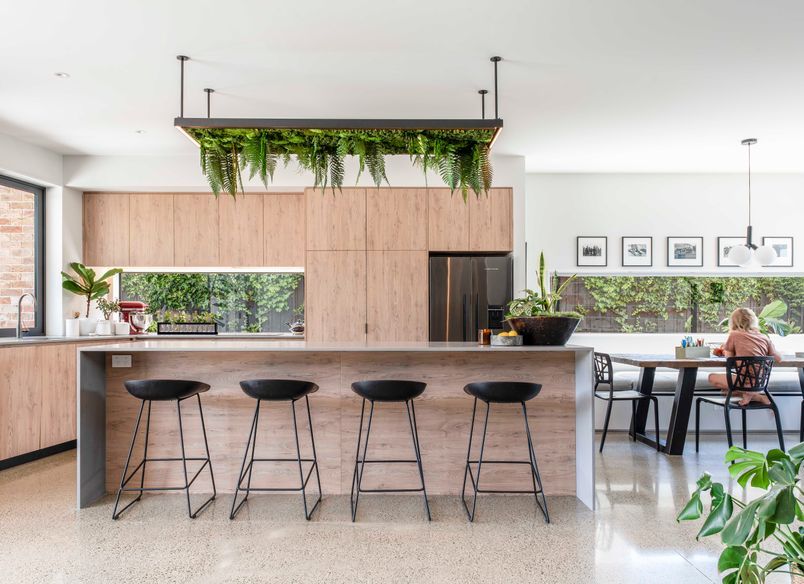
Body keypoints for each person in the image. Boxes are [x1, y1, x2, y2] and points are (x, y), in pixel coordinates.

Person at [709, 307, 782, 405]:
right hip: (760, 382)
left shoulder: (734, 335)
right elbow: (778, 358)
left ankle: (757, 397)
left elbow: (730, 360)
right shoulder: (764, 337)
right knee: (725, 391)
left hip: (743, 380)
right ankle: (754, 395)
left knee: (711, 378)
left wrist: (724, 351)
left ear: (733, 322)